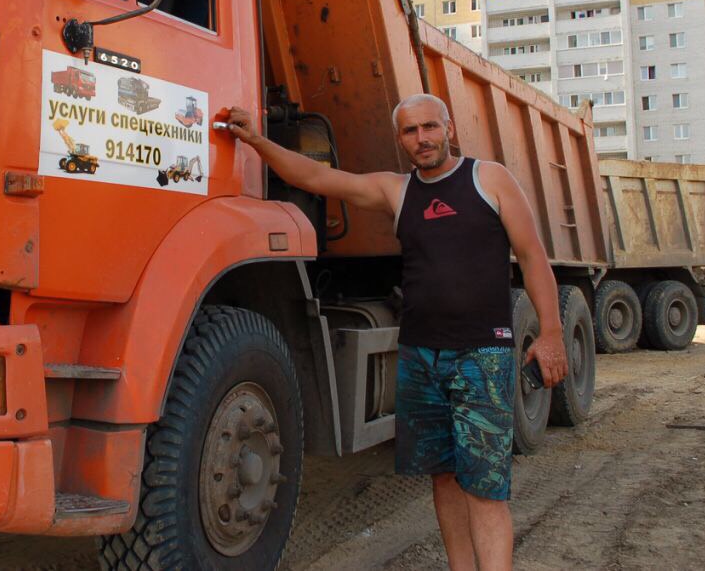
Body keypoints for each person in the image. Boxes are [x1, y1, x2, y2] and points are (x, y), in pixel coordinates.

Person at [225, 94, 568, 571]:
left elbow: (533, 258)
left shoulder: (489, 179)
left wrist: (550, 332)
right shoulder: (398, 191)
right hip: (420, 357)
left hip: (482, 355)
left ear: (449, 126)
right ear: (400, 139)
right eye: (410, 131)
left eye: (429, 127)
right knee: (443, 479)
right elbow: (317, 178)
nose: (422, 139)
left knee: (484, 487)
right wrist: (257, 141)